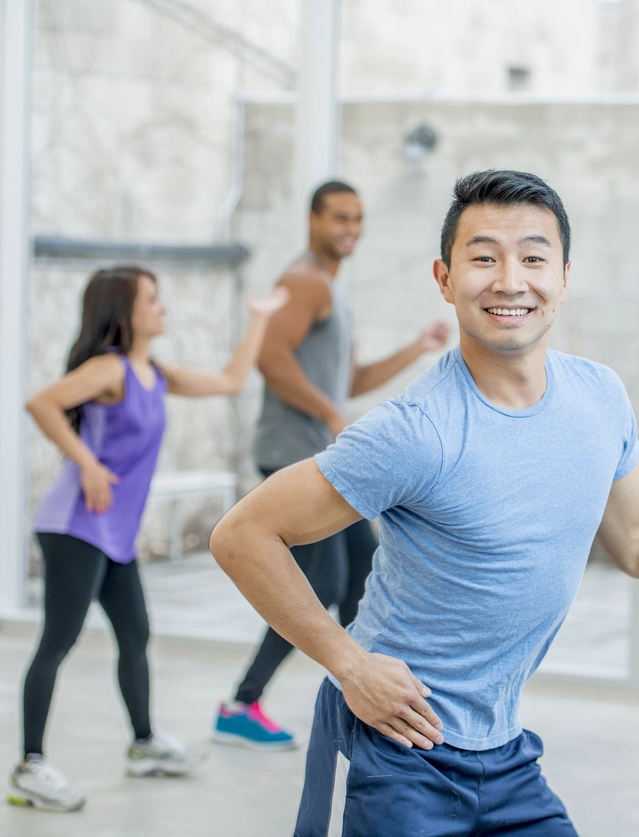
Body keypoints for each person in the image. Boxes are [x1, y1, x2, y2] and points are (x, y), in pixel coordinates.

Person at [210, 170, 639, 836]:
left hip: (505, 750)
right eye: (484, 257)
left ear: (564, 277)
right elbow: (243, 534)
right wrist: (348, 663)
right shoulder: (416, 431)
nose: (511, 280)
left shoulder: (599, 398)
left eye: (534, 257)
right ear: (444, 278)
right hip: (397, 742)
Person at [8, 264, 289, 813]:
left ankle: (143, 744)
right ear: (125, 312)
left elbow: (231, 381)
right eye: (152, 299)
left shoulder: (153, 373)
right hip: (74, 524)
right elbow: (42, 403)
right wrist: (86, 462)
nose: (162, 307)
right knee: (57, 643)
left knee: (135, 634)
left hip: (112, 531)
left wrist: (259, 320)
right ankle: (29, 767)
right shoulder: (108, 369)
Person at [214, 180, 449, 750]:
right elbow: (271, 358)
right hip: (295, 454)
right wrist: (328, 414)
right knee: (318, 586)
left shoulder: (331, 290)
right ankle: (242, 704)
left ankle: (377, 696)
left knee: (363, 576)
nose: (351, 229)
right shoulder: (303, 280)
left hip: (319, 449)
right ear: (313, 219)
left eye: (358, 219)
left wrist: (416, 349)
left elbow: (346, 381)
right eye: (340, 218)